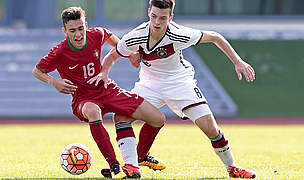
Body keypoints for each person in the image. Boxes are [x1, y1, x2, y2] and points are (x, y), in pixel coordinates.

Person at [94, 0, 257, 178]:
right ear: (149, 12)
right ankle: (132, 166)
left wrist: (238, 62)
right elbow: (112, 56)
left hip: (180, 83)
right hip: (149, 84)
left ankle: (232, 168)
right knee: (121, 117)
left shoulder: (180, 34)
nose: (157, 22)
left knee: (211, 128)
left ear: (170, 17)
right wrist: (104, 73)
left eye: (162, 18)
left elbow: (215, 37)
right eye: (154, 16)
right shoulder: (136, 35)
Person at [32, 6, 166, 179]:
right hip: (83, 99)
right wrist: (53, 81)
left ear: (86, 25)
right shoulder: (59, 52)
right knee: (94, 112)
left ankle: (139, 158)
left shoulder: (96, 34)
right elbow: (37, 70)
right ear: (64, 31)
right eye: (72, 31)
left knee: (158, 119)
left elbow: (109, 36)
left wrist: (130, 55)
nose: (78, 34)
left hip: (107, 89)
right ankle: (114, 166)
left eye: (81, 28)